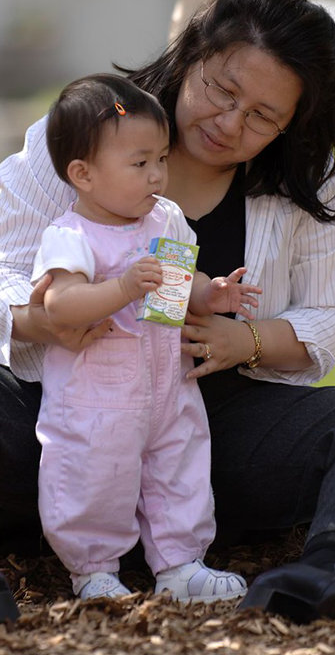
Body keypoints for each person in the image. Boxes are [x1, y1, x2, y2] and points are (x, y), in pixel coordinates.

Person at [0, 0, 335, 621]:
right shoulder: (80, 135)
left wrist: (244, 339)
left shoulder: (303, 184)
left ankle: (328, 567)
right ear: (191, 53)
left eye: (263, 118)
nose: (229, 124)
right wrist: (46, 320)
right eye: (223, 90)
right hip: (61, 418)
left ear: (292, 124)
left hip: (203, 423)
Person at [30, 72, 259, 602]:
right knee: (93, 475)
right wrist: (123, 286)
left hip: (167, 385)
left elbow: (177, 290)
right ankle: (93, 571)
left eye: (161, 158)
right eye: (139, 164)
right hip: (97, 397)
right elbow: (61, 304)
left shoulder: (166, 219)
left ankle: (181, 564)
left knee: (179, 468)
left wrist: (210, 294)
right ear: (83, 174)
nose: (157, 174)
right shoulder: (71, 236)